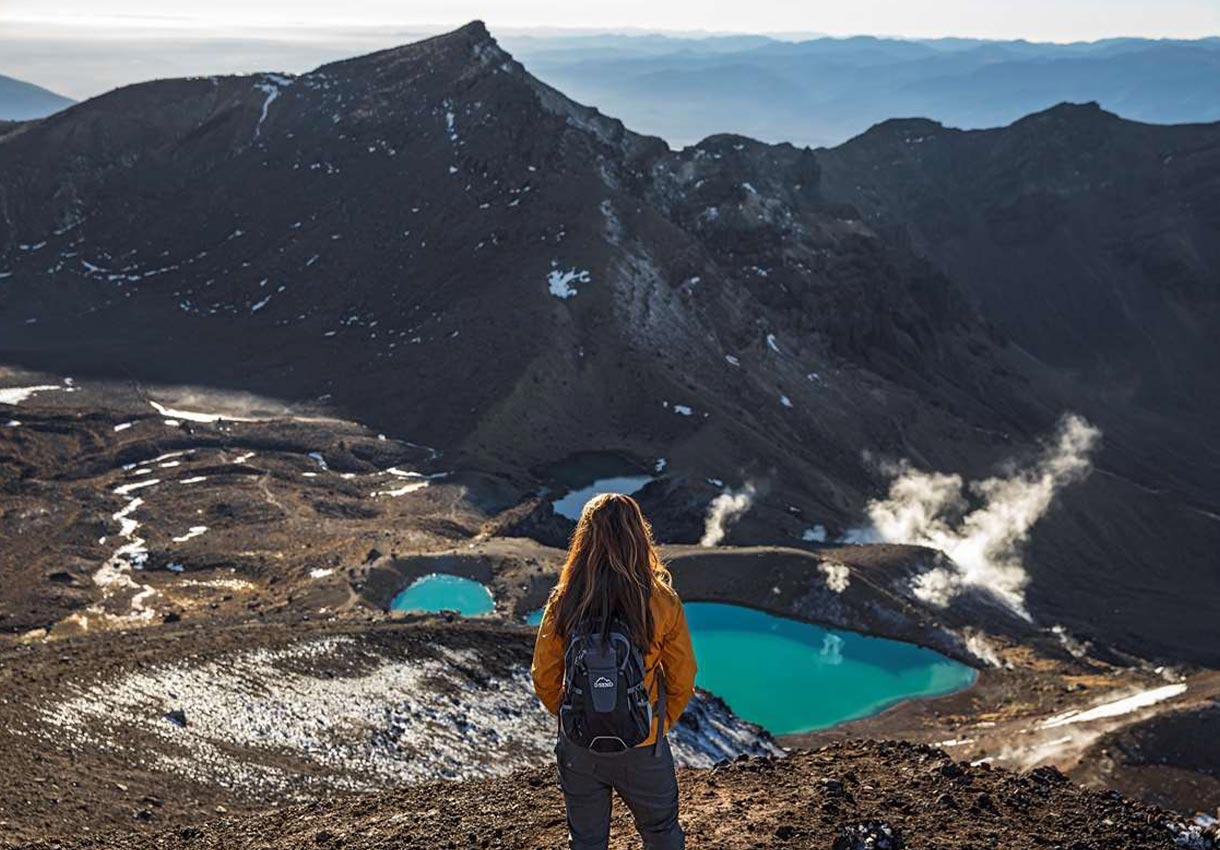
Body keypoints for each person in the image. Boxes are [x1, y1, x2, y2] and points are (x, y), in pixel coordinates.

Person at [531, 493, 697, 850]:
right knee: (662, 832)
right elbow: (683, 676)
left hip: (580, 746)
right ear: (638, 535)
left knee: (587, 841)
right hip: (643, 744)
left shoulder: (564, 600)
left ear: (584, 538)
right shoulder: (661, 600)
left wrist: (577, 715)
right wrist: (656, 724)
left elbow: (544, 676)